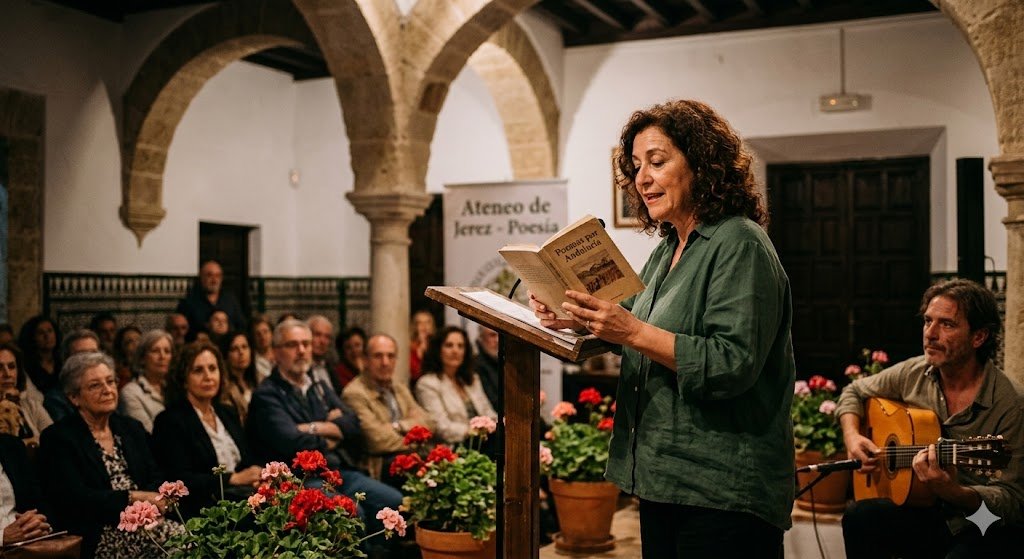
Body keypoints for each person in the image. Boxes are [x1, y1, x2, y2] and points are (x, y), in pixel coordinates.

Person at [530, 99, 795, 557]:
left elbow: (731, 362)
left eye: (657, 161)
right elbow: (629, 318)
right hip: (663, 479)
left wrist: (630, 330)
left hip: (722, 490)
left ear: (702, 165)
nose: (643, 178)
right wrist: (571, 315)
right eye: (636, 166)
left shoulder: (740, 243)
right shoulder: (668, 248)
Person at [837, 279, 1024, 557]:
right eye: (927, 321)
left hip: (979, 519)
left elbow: (1012, 502)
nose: (930, 334)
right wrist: (853, 436)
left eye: (947, 324)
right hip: (925, 506)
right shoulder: (914, 372)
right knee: (859, 518)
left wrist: (953, 491)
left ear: (979, 337)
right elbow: (853, 392)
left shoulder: (1010, 403)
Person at [246, 320, 402, 538]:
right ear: (275, 352)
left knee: (394, 502)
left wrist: (311, 428)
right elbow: (293, 443)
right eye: (293, 345)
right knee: (352, 512)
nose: (302, 351)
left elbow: (353, 424)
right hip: (299, 480)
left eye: (306, 344)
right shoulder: (266, 394)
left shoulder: (317, 386)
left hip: (335, 471)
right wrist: (332, 432)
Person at [39, 352, 179, 559]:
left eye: (111, 382)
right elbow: (75, 498)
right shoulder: (58, 438)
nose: (107, 390)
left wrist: (153, 503)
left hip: (148, 522)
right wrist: (132, 497)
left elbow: (155, 474)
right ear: (74, 397)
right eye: (95, 385)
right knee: (184, 546)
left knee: (198, 539)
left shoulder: (131, 428)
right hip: (101, 532)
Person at [152, 341, 262, 518]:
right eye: (198, 371)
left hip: (243, 498)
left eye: (213, 368)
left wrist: (257, 477)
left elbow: (247, 459)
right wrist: (232, 478)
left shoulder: (227, 412)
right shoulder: (169, 421)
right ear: (183, 379)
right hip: (204, 509)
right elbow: (179, 478)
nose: (208, 376)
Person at [342, 334, 434, 486]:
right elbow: (376, 440)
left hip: (410, 455)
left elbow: (429, 423)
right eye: (378, 356)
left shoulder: (398, 387)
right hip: (380, 465)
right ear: (365, 360)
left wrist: (398, 426)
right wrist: (414, 434)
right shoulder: (354, 393)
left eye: (391, 356)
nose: (385, 362)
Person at [415, 327, 496, 446]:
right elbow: (441, 427)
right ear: (438, 350)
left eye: (460, 346)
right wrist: (476, 430)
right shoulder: (427, 383)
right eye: (449, 345)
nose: (455, 351)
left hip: (484, 440)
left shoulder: (472, 379)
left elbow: (487, 411)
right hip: (454, 447)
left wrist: (498, 423)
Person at [0, 433, 53, 546]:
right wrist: (2, 537)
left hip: (28, 544)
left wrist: (39, 524)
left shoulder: (11, 445)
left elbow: (37, 499)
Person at [118, 330, 173, 433]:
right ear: (142, 358)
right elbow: (146, 434)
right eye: (155, 351)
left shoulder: (175, 388)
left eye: (167, 351)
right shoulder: (130, 392)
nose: (162, 356)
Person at [175, 260, 246, 338]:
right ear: (201, 277)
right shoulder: (188, 303)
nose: (214, 280)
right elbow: (180, 330)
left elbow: (241, 326)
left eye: (218, 276)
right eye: (209, 275)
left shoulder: (230, 300)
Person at [0, 343, 53, 445]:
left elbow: (55, 439)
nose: (7, 374)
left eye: (12, 367)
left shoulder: (31, 405)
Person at [216, 331, 262, 423]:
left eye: (244, 347)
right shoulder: (224, 389)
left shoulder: (259, 379)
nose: (241, 352)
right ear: (226, 355)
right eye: (234, 349)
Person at [16, 315, 61, 397]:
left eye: (50, 331)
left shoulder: (62, 361)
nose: (47, 336)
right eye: (41, 333)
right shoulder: (26, 366)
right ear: (32, 338)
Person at [308, 315, 341, 393]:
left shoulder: (331, 369)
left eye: (327, 337)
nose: (322, 341)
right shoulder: (299, 369)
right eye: (317, 335)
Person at [473, 326, 501, 410]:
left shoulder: (503, 362)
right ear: (481, 338)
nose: (497, 340)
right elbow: (493, 402)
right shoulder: (475, 365)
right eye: (492, 335)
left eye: (500, 336)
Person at [333, 326, 367, 393]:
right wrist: (362, 373)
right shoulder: (338, 374)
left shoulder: (372, 367)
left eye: (357, 345)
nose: (354, 351)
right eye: (348, 347)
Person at [409, 310, 436, 384]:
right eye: (420, 323)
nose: (424, 326)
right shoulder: (410, 346)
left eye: (427, 322)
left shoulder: (437, 345)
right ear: (415, 326)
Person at [250, 315, 275, 381]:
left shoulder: (281, 354)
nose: (262, 337)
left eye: (265, 332)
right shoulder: (251, 360)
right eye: (258, 334)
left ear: (272, 333)